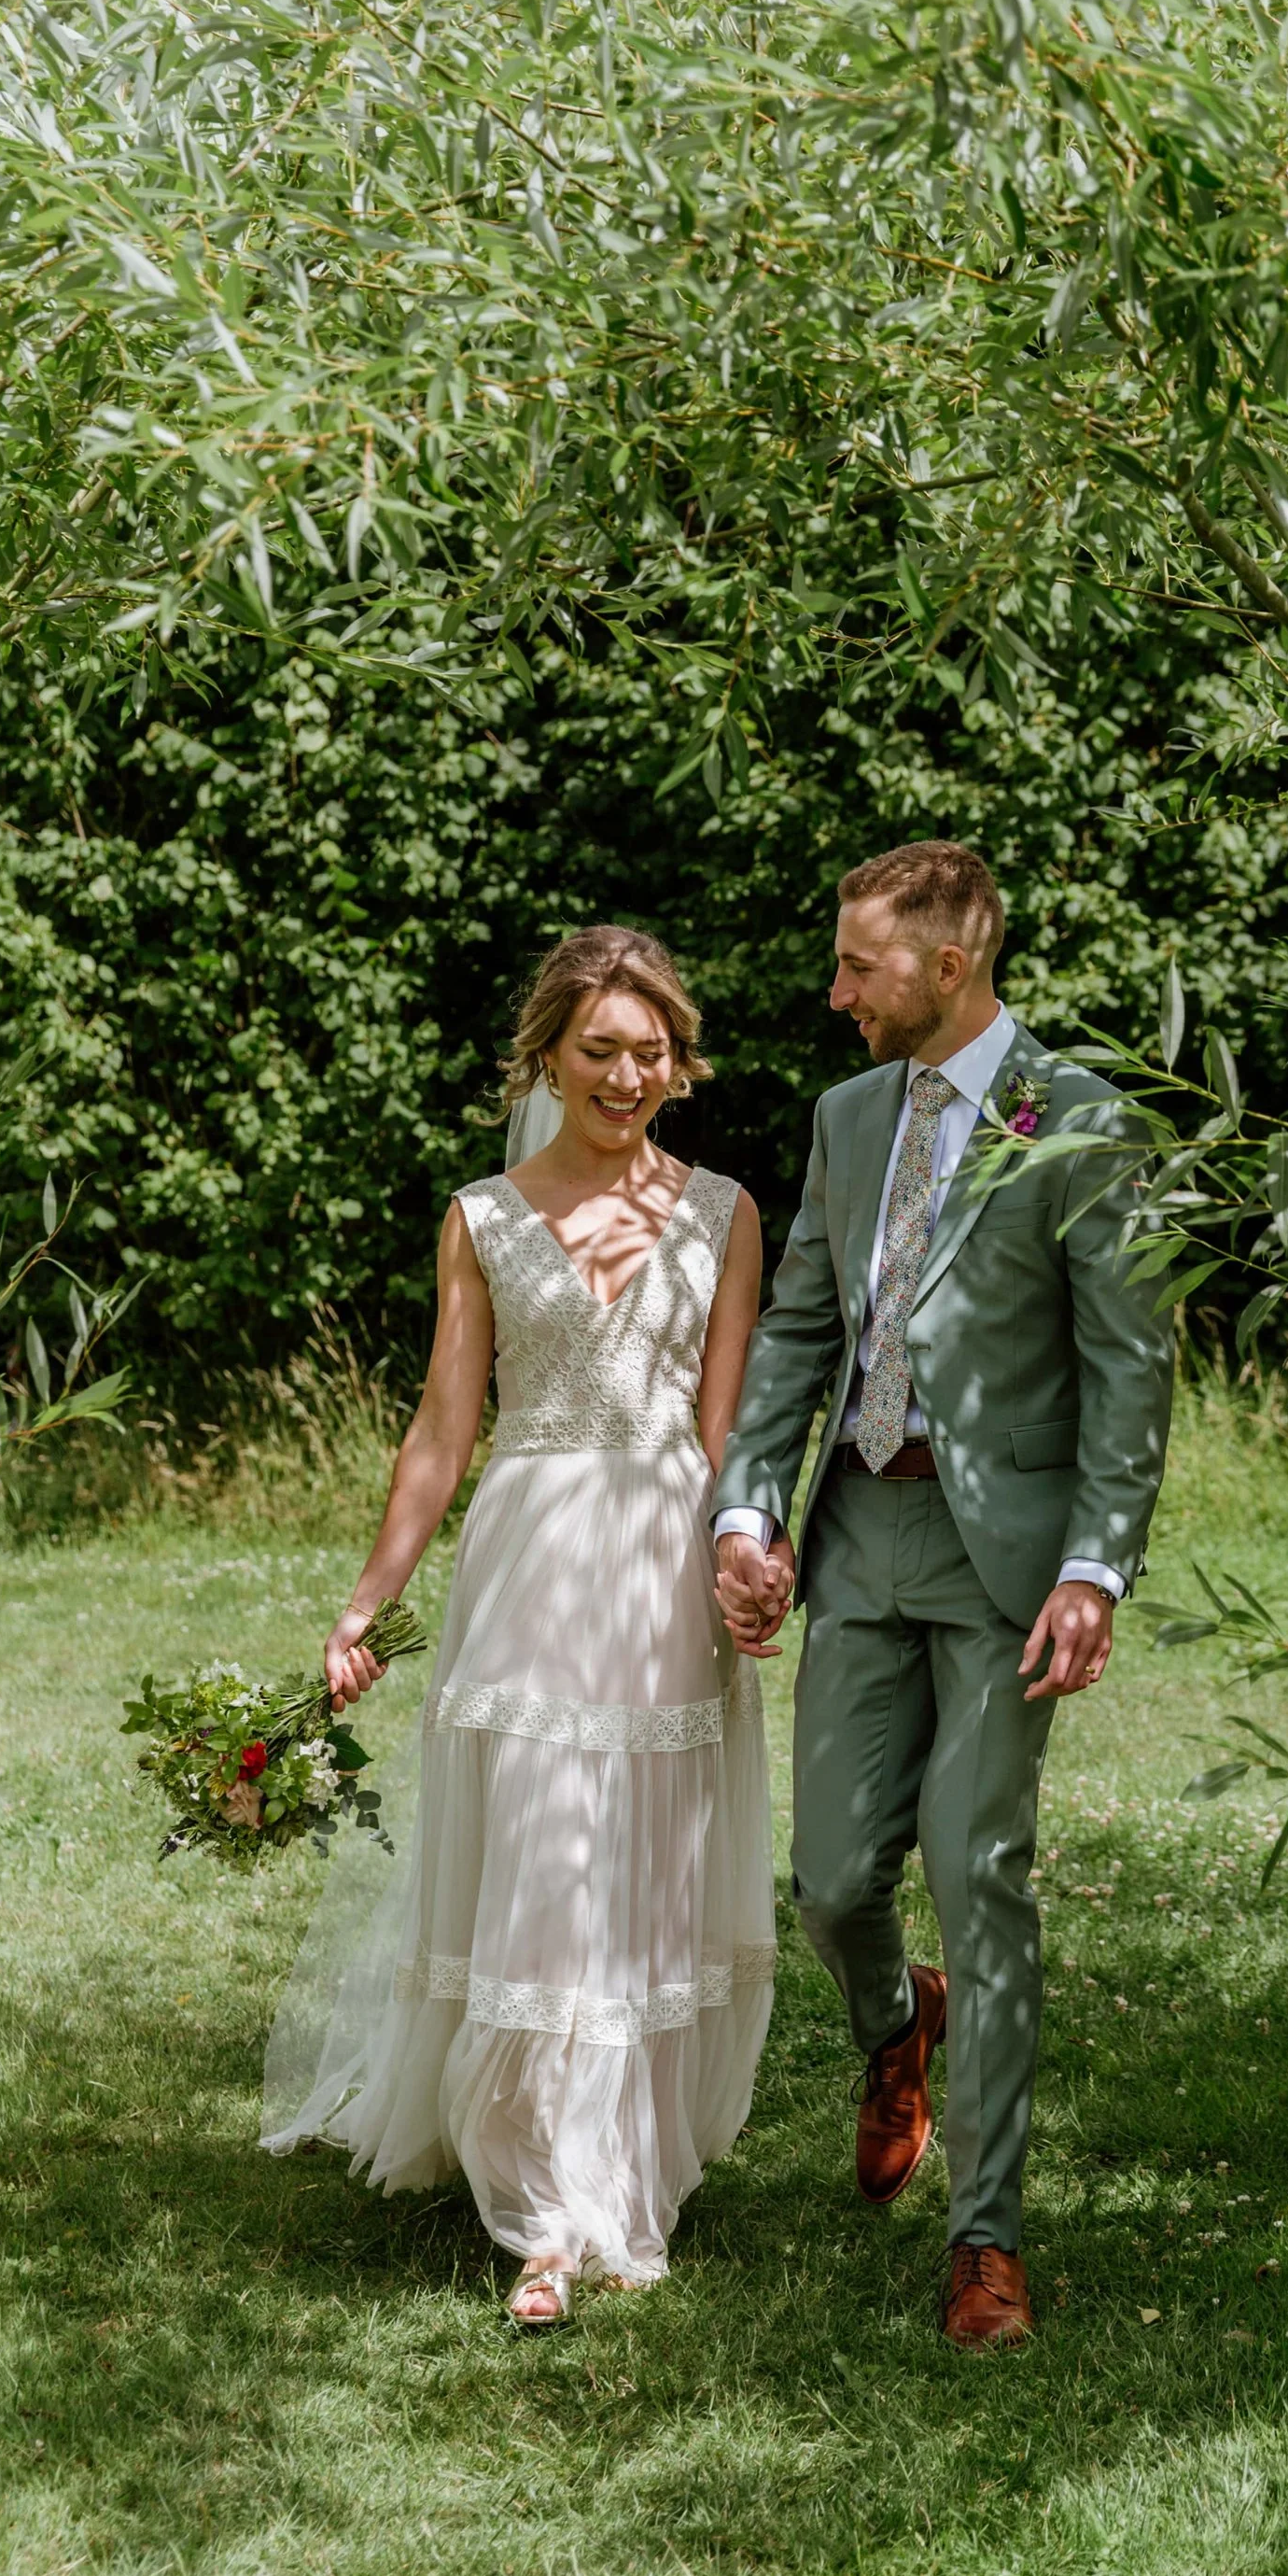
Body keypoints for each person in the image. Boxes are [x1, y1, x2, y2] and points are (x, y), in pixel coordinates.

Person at [261, 927, 776, 2329]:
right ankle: (548, 2211)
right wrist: (370, 1596)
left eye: (650, 1050)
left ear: (682, 1057)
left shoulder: (726, 1210)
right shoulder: (482, 1214)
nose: (626, 1075)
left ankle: (627, 2162)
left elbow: (729, 1422)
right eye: (598, 1048)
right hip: (534, 1556)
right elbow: (444, 1426)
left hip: (666, 1567)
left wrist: (757, 1553)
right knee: (547, 1857)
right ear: (547, 1053)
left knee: (648, 1861)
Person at [712, 841, 1173, 2350]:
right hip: (859, 1540)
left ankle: (988, 2240)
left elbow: (1128, 1357)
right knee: (833, 1879)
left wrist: (1096, 1564)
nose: (837, 990)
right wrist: (748, 1506)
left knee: (984, 1878)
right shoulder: (848, 1119)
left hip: (1005, 1567)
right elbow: (795, 1331)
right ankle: (894, 2023)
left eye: (861, 964)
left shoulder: (1076, 1119)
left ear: (952, 962)